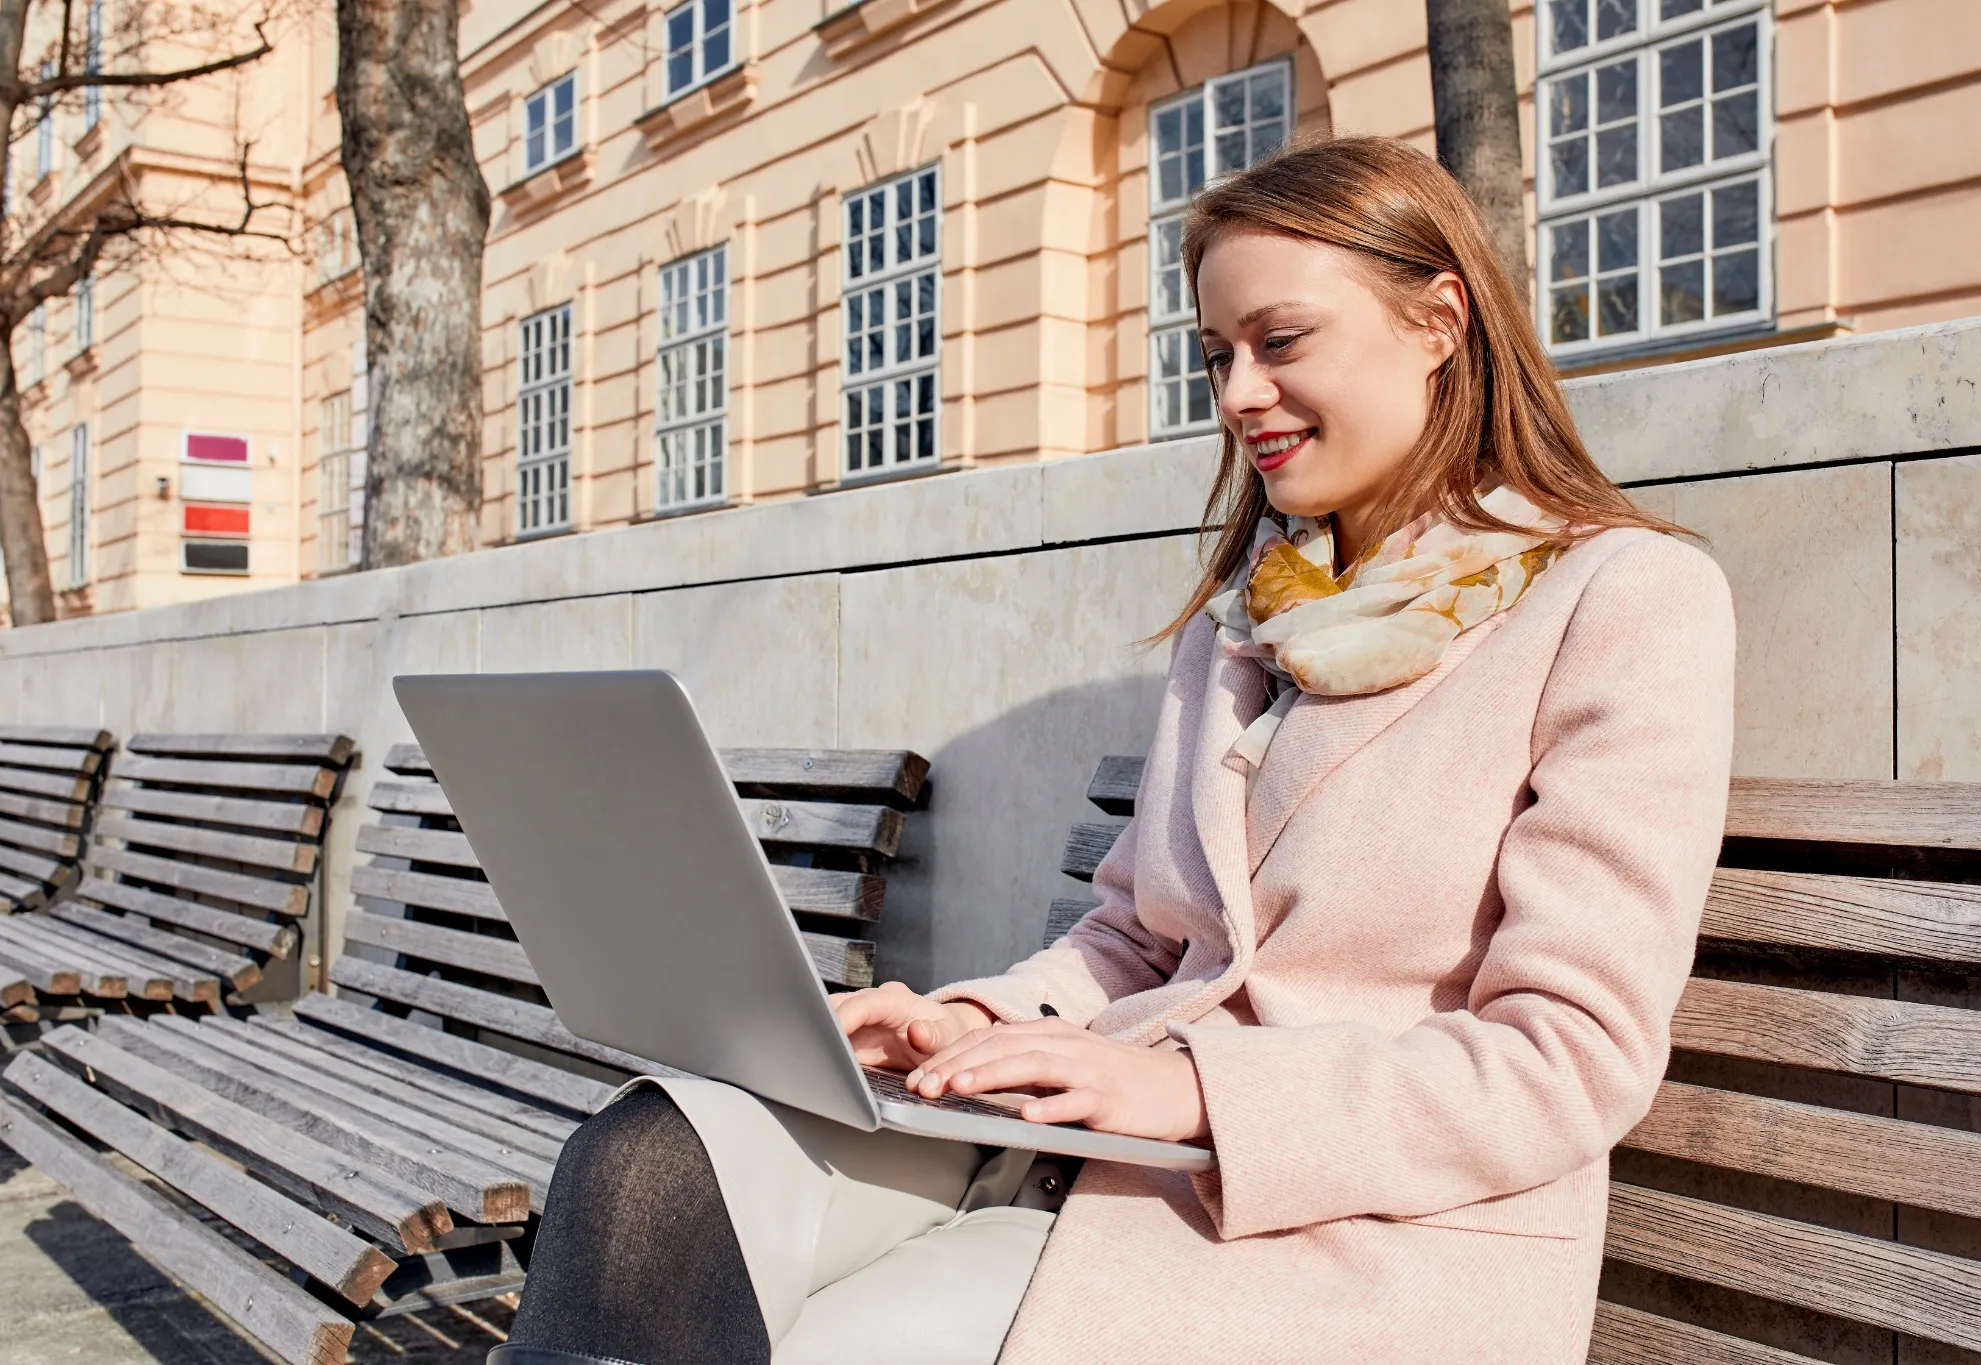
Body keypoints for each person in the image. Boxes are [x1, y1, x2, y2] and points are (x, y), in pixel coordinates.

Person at [488, 134, 1735, 1365]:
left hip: (1363, 1234)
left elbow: (1566, 1059)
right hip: (1111, 1156)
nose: (1240, 392)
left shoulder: (1619, 600)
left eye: (1281, 342)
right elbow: (1133, 940)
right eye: (1217, 355)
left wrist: (1199, 1092)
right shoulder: (1253, 613)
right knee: (649, 1162)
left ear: (1438, 322)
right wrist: (967, 1021)